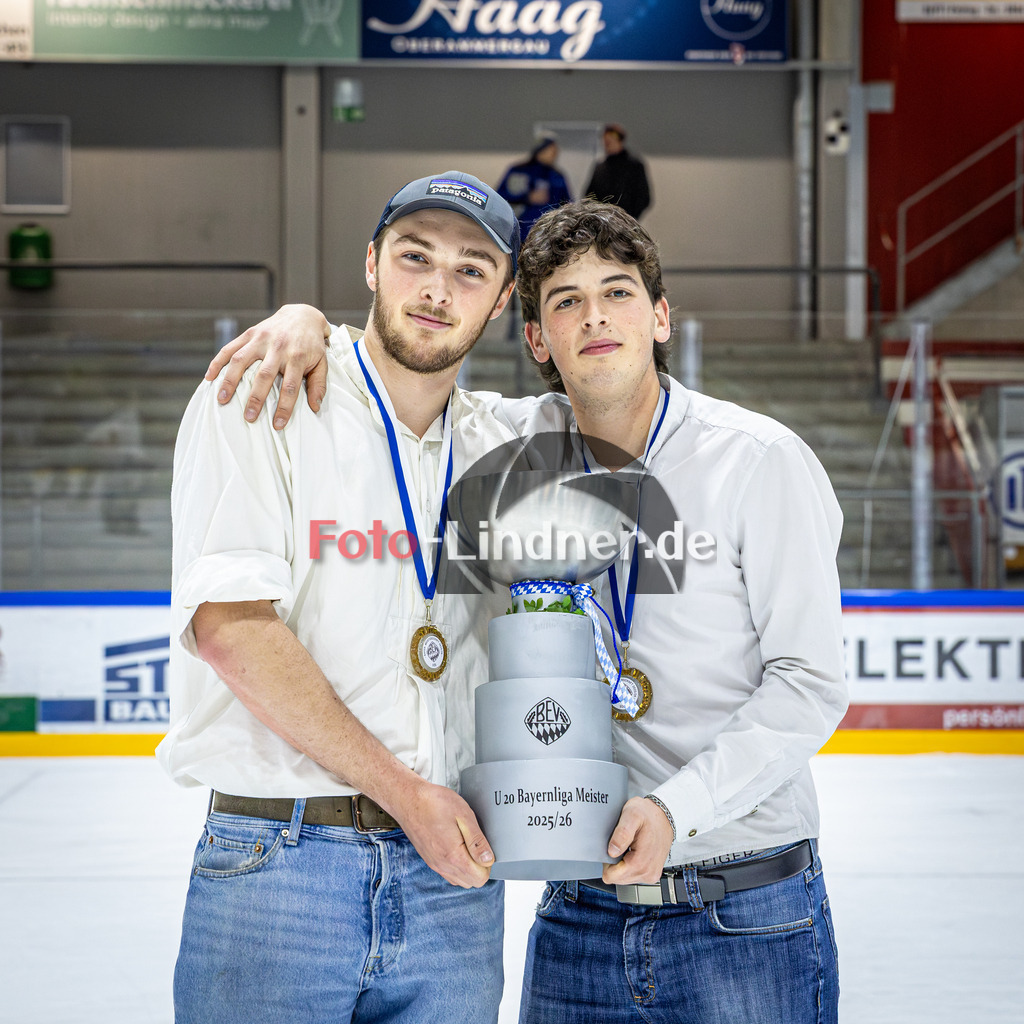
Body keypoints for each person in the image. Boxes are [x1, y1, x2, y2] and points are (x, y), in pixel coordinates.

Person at [211, 200, 847, 1023]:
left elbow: (810, 684)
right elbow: (402, 389)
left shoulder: (759, 462)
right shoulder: (509, 445)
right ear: (540, 340)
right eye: (566, 302)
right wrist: (305, 325)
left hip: (741, 907)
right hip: (577, 914)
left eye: (617, 293)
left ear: (659, 317)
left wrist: (675, 809)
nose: (595, 317)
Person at [156, 170, 522, 1024]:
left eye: (472, 270)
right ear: (369, 264)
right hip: (280, 866)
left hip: (453, 883)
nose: (437, 288)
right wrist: (300, 318)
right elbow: (232, 630)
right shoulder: (265, 392)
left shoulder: (507, 443)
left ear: (502, 302)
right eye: (413, 256)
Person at [496, 136, 572, 240]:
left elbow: (568, 203)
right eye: (551, 150)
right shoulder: (519, 171)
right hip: (520, 232)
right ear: (540, 150)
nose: (555, 154)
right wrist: (527, 197)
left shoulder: (557, 175)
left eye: (556, 151)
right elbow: (500, 196)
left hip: (550, 234)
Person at [584, 123, 651, 220]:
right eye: (605, 142)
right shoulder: (600, 167)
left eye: (609, 141)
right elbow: (589, 197)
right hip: (602, 223)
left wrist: (629, 218)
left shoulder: (634, 166)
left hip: (626, 223)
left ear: (619, 140)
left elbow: (643, 197)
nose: (606, 145)